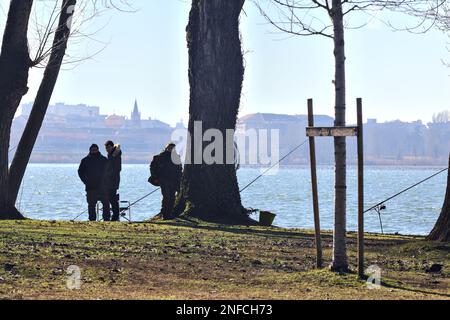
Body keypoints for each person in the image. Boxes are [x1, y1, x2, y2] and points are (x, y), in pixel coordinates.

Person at [150, 142, 182, 220]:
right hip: (164, 180)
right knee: (167, 197)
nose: (171, 150)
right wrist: (155, 177)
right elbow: (153, 168)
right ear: (166, 148)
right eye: (170, 148)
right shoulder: (159, 157)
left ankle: (169, 213)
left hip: (173, 180)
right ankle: (165, 214)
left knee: (172, 198)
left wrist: (179, 178)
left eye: (173, 148)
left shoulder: (176, 157)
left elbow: (179, 169)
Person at [78, 144, 108, 221]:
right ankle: (92, 220)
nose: (94, 151)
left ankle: (106, 219)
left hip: (103, 186)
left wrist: (106, 181)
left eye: (95, 149)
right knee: (91, 205)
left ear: (98, 150)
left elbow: (109, 172)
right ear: (90, 150)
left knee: (106, 204)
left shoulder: (104, 160)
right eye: (93, 150)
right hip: (90, 186)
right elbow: (80, 172)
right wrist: (86, 181)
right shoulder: (85, 160)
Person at [103, 140, 122, 221]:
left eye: (108, 147)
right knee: (111, 198)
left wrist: (108, 174)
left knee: (112, 199)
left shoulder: (115, 155)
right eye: (106, 148)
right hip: (109, 180)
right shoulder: (111, 155)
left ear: (112, 146)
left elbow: (118, 168)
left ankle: (115, 216)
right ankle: (114, 216)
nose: (107, 149)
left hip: (113, 180)